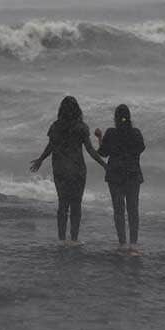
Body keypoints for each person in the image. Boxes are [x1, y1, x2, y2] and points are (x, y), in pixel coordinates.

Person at [30, 96, 107, 244]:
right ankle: (74, 239)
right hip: (77, 170)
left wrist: (41, 159)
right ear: (77, 110)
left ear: (61, 110)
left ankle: (61, 239)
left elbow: (51, 146)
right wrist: (104, 164)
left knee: (62, 204)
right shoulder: (82, 127)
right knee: (76, 205)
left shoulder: (55, 126)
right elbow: (90, 150)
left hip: (60, 170)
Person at [94, 104, 145, 253]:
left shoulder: (111, 133)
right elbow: (140, 149)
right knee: (133, 209)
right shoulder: (136, 133)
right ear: (129, 117)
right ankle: (134, 243)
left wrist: (99, 137)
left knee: (119, 210)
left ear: (115, 118)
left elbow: (103, 153)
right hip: (132, 175)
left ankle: (122, 243)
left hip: (115, 175)